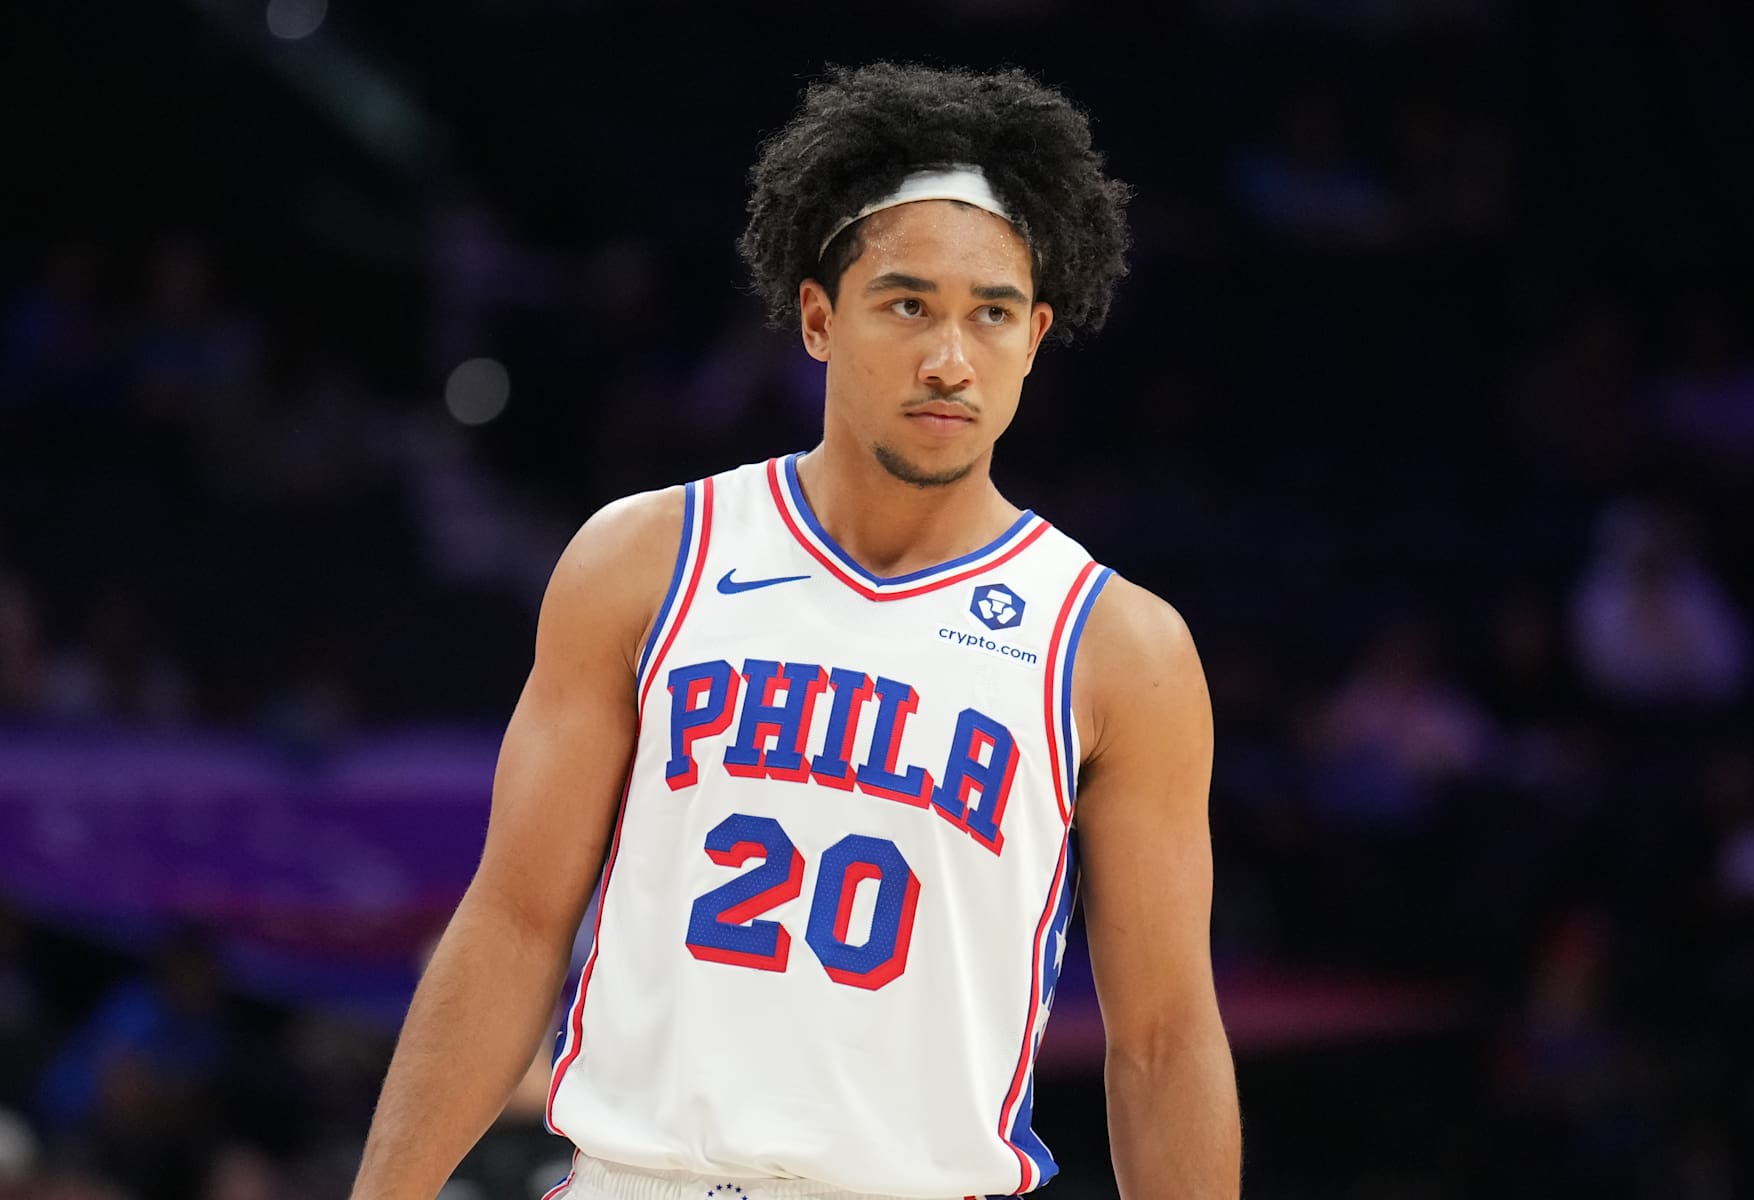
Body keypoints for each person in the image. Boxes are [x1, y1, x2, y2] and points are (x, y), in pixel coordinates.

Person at [352, 62, 1240, 1200]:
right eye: (907, 304)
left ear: (1034, 337)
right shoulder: (648, 560)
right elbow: (516, 925)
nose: (950, 359)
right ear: (819, 318)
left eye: (991, 314)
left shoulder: (1118, 647)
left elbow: (1163, 1040)